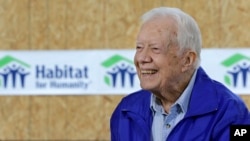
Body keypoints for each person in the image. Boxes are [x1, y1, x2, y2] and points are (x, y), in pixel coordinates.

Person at [110, 7, 250, 141]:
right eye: (139, 48)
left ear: (187, 60)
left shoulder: (230, 110)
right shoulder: (125, 111)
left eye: (155, 48)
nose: (142, 58)